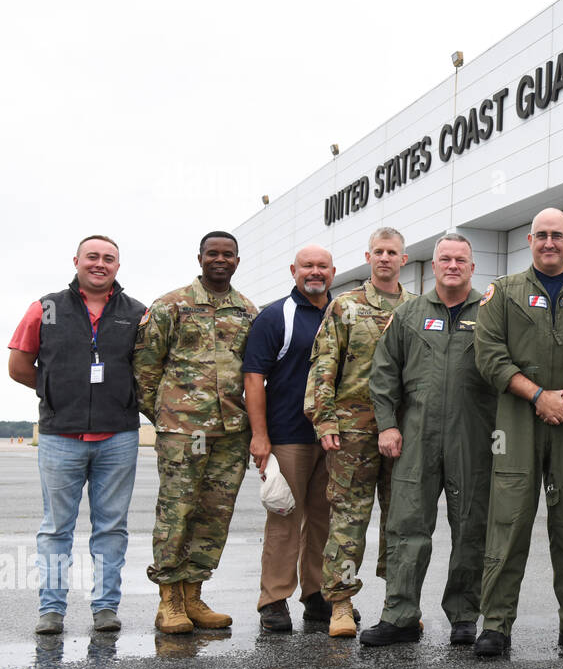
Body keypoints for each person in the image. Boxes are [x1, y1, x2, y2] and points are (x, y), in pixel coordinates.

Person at [472, 208, 563, 656]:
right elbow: (489, 355)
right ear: (530, 241)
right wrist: (539, 396)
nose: (549, 242)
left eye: (557, 235)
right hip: (518, 421)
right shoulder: (503, 293)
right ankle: (496, 624)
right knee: (509, 521)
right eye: (541, 235)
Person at [359, 233, 497, 647]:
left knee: (471, 527)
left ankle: (463, 616)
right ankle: (400, 615)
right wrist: (387, 424)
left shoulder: (491, 314)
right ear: (432, 266)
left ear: (472, 268)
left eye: (460, 260)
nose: (452, 266)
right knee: (406, 526)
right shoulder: (408, 315)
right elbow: (384, 374)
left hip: (474, 437)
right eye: (444, 259)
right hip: (417, 436)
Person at [8, 236, 146, 635]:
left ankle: (105, 607)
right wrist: (57, 391)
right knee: (55, 528)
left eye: (109, 259)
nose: (100, 264)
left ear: (118, 266)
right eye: (93, 257)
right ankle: (51, 610)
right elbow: (19, 365)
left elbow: (149, 371)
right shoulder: (45, 308)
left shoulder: (138, 313)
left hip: (118, 436)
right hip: (59, 436)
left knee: (111, 527)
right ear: (77, 261)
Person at [134, 231, 259, 633]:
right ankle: (169, 598)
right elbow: (145, 368)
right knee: (177, 511)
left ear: (237, 260)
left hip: (230, 430)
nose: (220, 260)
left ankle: (194, 594)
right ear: (200, 257)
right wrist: (166, 416)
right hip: (182, 430)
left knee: (214, 515)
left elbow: (252, 369)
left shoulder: (246, 311)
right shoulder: (171, 305)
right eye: (213, 253)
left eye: (228, 254)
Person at [304, 228, 413, 638]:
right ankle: (341, 604)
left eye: (393, 253)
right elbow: (323, 366)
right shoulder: (345, 307)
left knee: (401, 520)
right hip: (352, 431)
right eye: (379, 252)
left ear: (404, 259)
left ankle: (397, 604)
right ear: (368, 257)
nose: (385, 258)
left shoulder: (415, 308)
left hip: (403, 433)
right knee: (349, 519)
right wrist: (325, 419)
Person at [243, 245, 337, 632]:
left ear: (333, 271)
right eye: (307, 266)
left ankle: (317, 597)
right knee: (284, 516)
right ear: (293, 270)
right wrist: (260, 437)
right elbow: (253, 379)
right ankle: (274, 600)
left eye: (322, 266)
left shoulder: (343, 312)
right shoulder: (274, 316)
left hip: (333, 437)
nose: (314, 272)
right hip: (288, 436)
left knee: (324, 520)